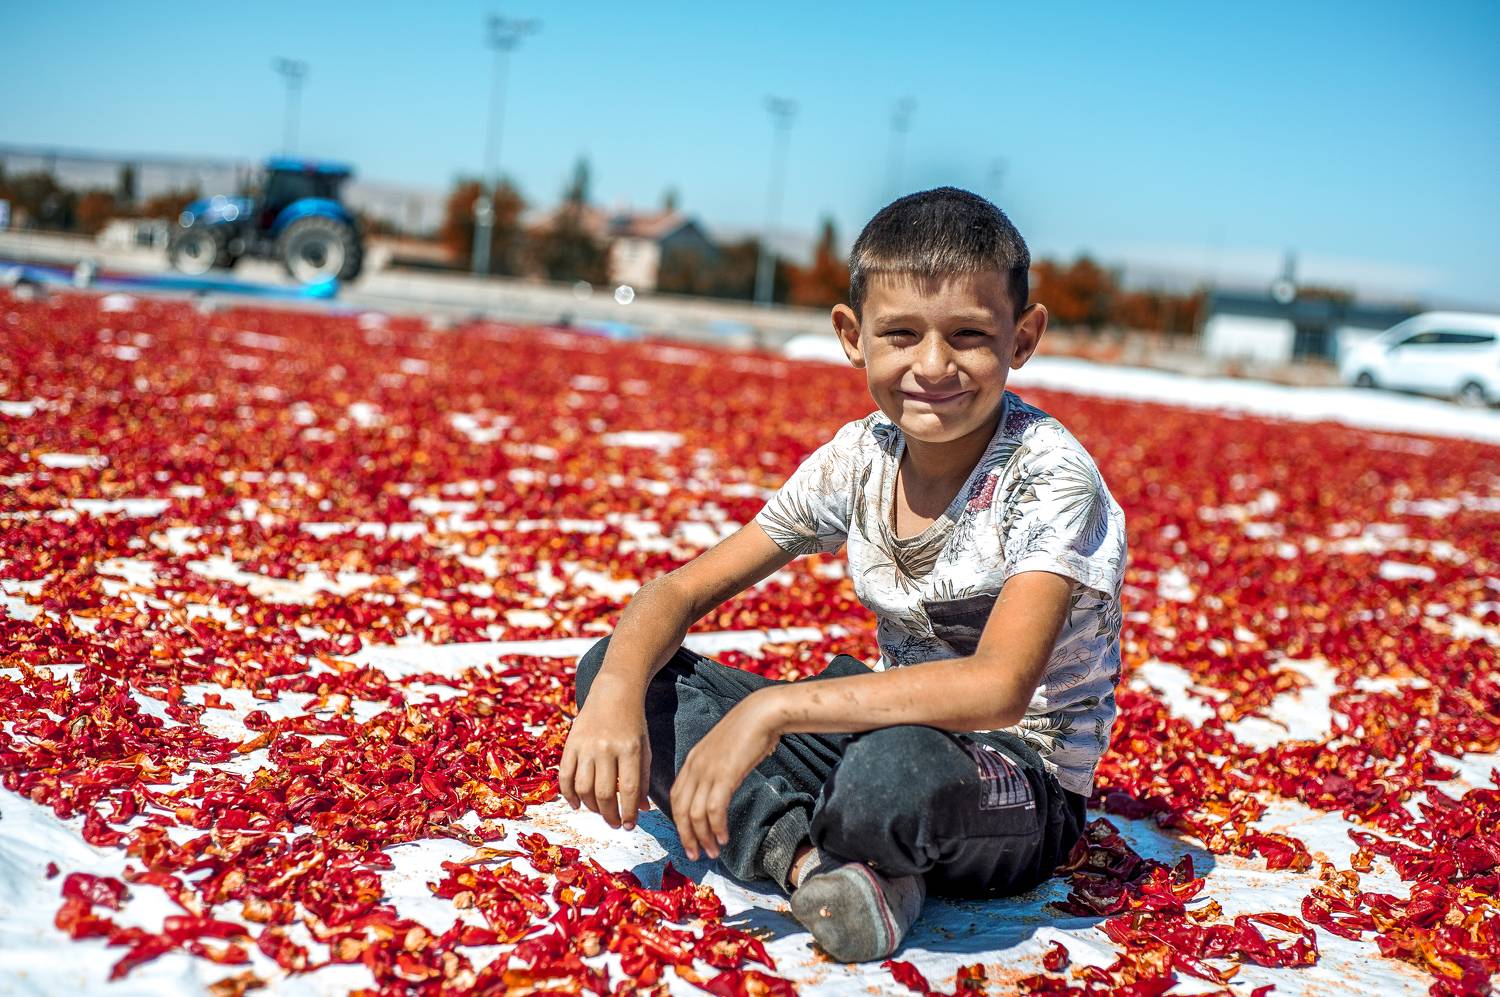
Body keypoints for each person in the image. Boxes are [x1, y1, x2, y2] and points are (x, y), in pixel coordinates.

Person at [559, 187, 1127, 963]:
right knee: (621, 667)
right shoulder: (861, 457)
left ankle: (854, 849)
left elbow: (1000, 686)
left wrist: (773, 712)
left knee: (890, 775)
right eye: (901, 334)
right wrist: (618, 689)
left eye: (968, 334)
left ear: (1022, 337)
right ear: (852, 337)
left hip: (1015, 778)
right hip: (886, 731)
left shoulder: (1048, 473)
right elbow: (680, 590)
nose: (933, 365)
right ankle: (815, 866)